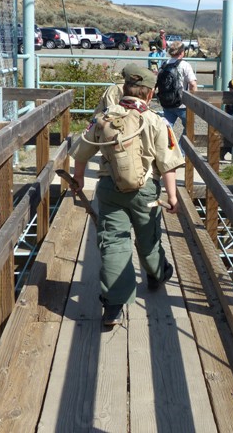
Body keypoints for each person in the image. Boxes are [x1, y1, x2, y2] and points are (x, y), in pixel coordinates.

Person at [72, 66, 184, 327]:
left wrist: (78, 178)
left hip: (110, 189)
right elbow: (167, 163)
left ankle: (112, 306)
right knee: (149, 238)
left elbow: (81, 151)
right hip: (145, 191)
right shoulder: (156, 120)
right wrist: (173, 196)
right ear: (151, 93)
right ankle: (157, 274)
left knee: (113, 241)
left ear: (124, 89)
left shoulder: (104, 117)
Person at [156, 41, 198, 130]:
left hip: (166, 102)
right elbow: (193, 84)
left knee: (166, 129)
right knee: (190, 129)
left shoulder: (164, 64)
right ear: (182, 52)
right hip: (182, 104)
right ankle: (180, 144)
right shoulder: (185, 65)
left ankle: (166, 143)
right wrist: (194, 101)